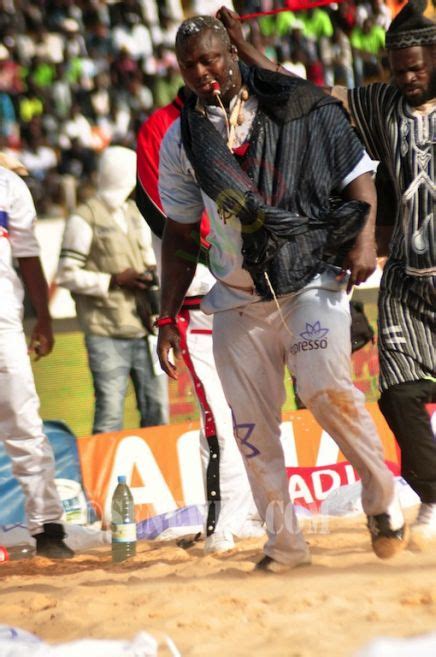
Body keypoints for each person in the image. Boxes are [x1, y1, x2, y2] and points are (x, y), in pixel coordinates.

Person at [155, 15, 408, 573]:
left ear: (232, 55)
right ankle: (285, 544)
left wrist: (364, 239)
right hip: (235, 299)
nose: (203, 72)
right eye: (190, 64)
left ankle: (381, 495)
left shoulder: (291, 106)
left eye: (211, 58)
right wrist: (166, 314)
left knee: (326, 393)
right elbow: (178, 232)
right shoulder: (183, 141)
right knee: (250, 430)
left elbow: (357, 173)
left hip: (311, 278)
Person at [136, 89, 262, 553]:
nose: (209, 74)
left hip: (250, 290)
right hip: (199, 295)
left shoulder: (245, 115)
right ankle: (220, 522)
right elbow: (165, 212)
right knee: (218, 416)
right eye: (197, 63)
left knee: (255, 410)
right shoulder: (160, 128)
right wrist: (229, 257)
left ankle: (248, 510)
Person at [331, 0, 435, 546]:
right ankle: (434, 497)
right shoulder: (384, 105)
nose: (409, 78)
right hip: (407, 278)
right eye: (399, 70)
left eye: (418, 67)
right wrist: (243, 54)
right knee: (397, 393)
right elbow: (315, 96)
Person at [57, 146, 169, 435]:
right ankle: (105, 481)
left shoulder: (134, 212)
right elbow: (66, 274)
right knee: (110, 413)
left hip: (146, 328)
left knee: (158, 409)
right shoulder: (83, 218)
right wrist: (113, 280)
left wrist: (150, 275)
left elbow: (148, 259)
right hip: (105, 330)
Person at [0, 161, 74, 559]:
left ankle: (48, 529)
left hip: (4, 325)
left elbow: (28, 257)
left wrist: (43, 318)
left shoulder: (8, 184)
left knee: (26, 426)